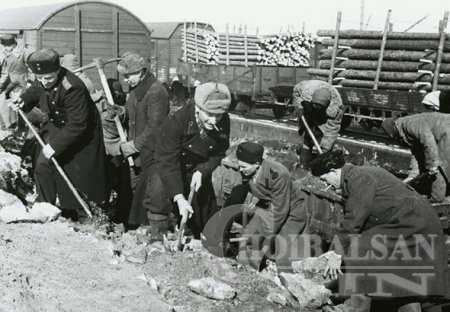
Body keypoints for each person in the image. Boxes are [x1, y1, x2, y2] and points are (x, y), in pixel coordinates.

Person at [309, 150, 449, 311]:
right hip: (415, 220)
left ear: (333, 171)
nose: (327, 185)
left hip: (411, 222)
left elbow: (353, 221)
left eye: (324, 179)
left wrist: (336, 253)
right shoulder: (359, 174)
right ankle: (405, 303)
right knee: (409, 276)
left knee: (360, 250)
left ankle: (359, 302)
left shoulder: (360, 178)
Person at [9, 49, 107, 221]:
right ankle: (45, 208)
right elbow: (36, 90)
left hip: (81, 134)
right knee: (43, 166)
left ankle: (85, 215)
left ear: (58, 71)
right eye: (40, 77)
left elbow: (78, 124)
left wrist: (54, 146)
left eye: (48, 78)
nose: (44, 82)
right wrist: (23, 100)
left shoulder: (73, 87)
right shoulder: (44, 78)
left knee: (78, 175)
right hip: (58, 127)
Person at [145, 82, 231, 240]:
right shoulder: (177, 120)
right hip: (166, 161)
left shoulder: (223, 120)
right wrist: (179, 198)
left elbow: (219, 152)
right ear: (198, 108)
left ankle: (191, 235)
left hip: (197, 165)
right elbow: (167, 161)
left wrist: (202, 170)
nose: (214, 120)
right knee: (159, 192)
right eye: (209, 114)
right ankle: (158, 236)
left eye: (218, 115)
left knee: (202, 207)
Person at [224, 142, 308, 272]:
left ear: (257, 165)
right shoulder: (246, 170)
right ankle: (248, 271)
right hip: (269, 205)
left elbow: (279, 211)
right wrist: (224, 224)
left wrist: (262, 233)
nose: (240, 170)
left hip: (292, 210)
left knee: (283, 248)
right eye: (239, 166)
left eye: (243, 167)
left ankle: (287, 280)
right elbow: (238, 195)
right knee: (249, 235)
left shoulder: (278, 173)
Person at [107, 52, 169, 225]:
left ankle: (143, 228)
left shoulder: (156, 92)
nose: (125, 80)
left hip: (150, 152)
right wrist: (120, 111)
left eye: (128, 76)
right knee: (130, 190)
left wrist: (134, 146)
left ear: (141, 72)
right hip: (136, 151)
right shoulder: (137, 89)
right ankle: (128, 225)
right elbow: (132, 113)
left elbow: (155, 127)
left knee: (144, 192)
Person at [381, 114, 450, 203]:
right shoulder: (405, 130)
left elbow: (428, 142)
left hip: (446, 132)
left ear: (393, 131)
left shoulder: (410, 125)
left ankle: (437, 200)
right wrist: (411, 177)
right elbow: (418, 155)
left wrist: (433, 165)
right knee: (433, 163)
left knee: (439, 166)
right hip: (444, 130)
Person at [292, 80, 343, 169]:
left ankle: (321, 165)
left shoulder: (336, 108)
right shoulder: (306, 91)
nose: (317, 107)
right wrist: (300, 106)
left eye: (319, 107)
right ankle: (303, 164)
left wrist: (325, 149)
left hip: (324, 115)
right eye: (315, 105)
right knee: (308, 136)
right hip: (308, 105)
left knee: (321, 135)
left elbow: (332, 129)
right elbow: (296, 93)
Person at [0, 34, 33, 130]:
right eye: (4, 46)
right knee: (3, 106)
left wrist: (29, 82)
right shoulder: (2, 53)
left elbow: (31, 69)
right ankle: (6, 129)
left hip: (20, 82)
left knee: (17, 105)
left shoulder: (24, 52)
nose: (6, 48)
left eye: (9, 46)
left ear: (14, 44)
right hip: (5, 83)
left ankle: (21, 128)